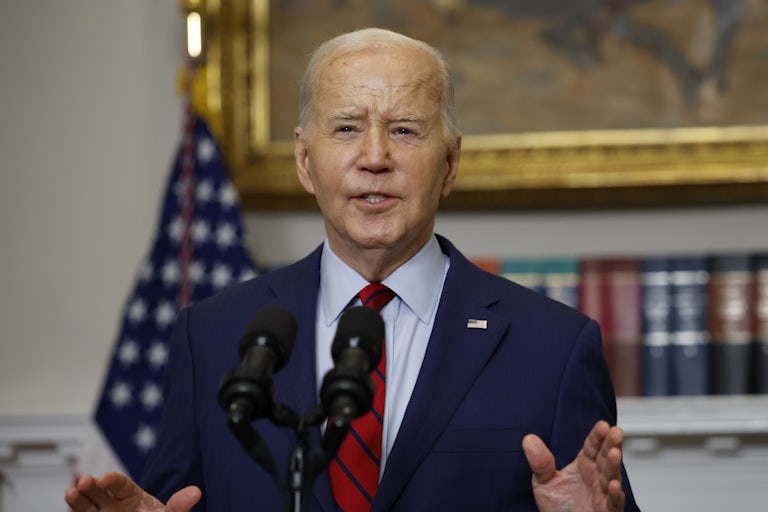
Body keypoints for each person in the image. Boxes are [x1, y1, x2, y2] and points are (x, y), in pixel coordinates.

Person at [65, 27, 640, 511]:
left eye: (404, 129)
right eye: (346, 128)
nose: (374, 157)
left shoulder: (554, 346)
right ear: (304, 160)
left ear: (450, 162)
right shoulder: (211, 335)